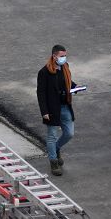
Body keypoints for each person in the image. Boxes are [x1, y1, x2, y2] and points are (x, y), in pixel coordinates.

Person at [36, 44, 77, 177]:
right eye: (61, 56)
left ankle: (56, 148)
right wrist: (44, 111)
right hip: (53, 108)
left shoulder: (65, 67)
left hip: (65, 106)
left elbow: (68, 82)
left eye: (65, 56)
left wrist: (76, 87)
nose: (64, 58)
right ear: (54, 56)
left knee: (69, 133)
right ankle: (53, 161)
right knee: (51, 136)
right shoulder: (44, 72)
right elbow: (41, 93)